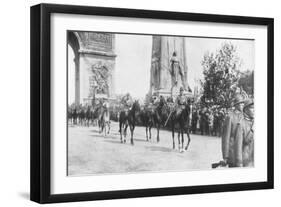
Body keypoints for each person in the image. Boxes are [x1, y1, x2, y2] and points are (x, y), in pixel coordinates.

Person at [221, 94, 245, 167]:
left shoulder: (244, 116)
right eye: (241, 103)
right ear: (236, 104)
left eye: (243, 103)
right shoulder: (230, 117)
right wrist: (225, 156)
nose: (242, 105)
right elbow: (226, 137)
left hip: (242, 153)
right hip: (233, 153)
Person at [234, 99, 254, 167]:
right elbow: (239, 145)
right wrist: (239, 163)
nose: (254, 110)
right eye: (252, 108)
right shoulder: (241, 124)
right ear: (245, 110)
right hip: (247, 161)